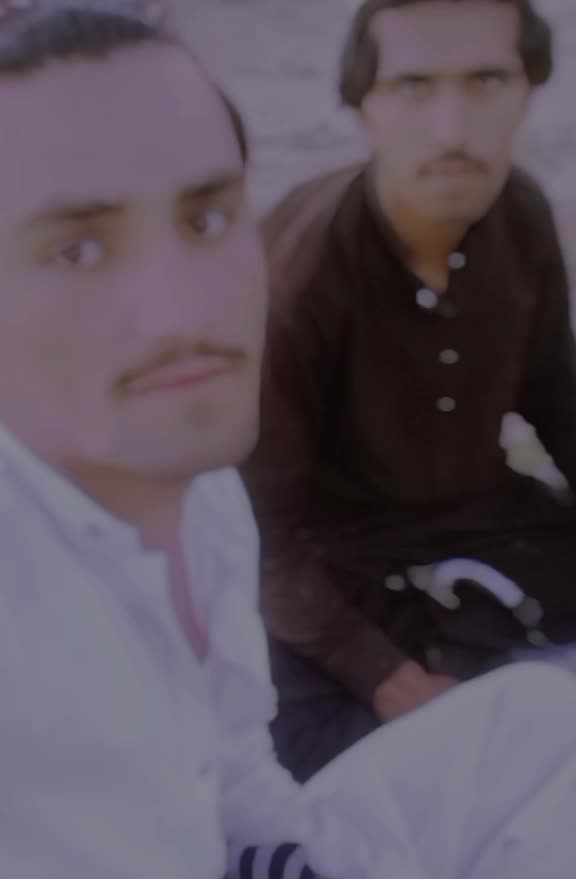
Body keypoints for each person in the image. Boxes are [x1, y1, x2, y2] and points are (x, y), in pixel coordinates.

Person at [0, 2, 575, 879]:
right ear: (364, 108)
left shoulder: (203, 497)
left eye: (205, 219)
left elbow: (235, 774)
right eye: (79, 249)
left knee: (541, 716)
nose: (180, 307)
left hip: (250, 860)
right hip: (340, 624)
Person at [242, 0, 576, 778]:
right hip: (340, 569)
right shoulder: (301, 274)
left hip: (488, 526)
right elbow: (258, 527)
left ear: (528, 90)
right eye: (414, 87)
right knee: (353, 775)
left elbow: (555, 399)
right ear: (365, 108)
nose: (453, 129)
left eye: (487, 81)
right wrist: (390, 681)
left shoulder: (520, 213)